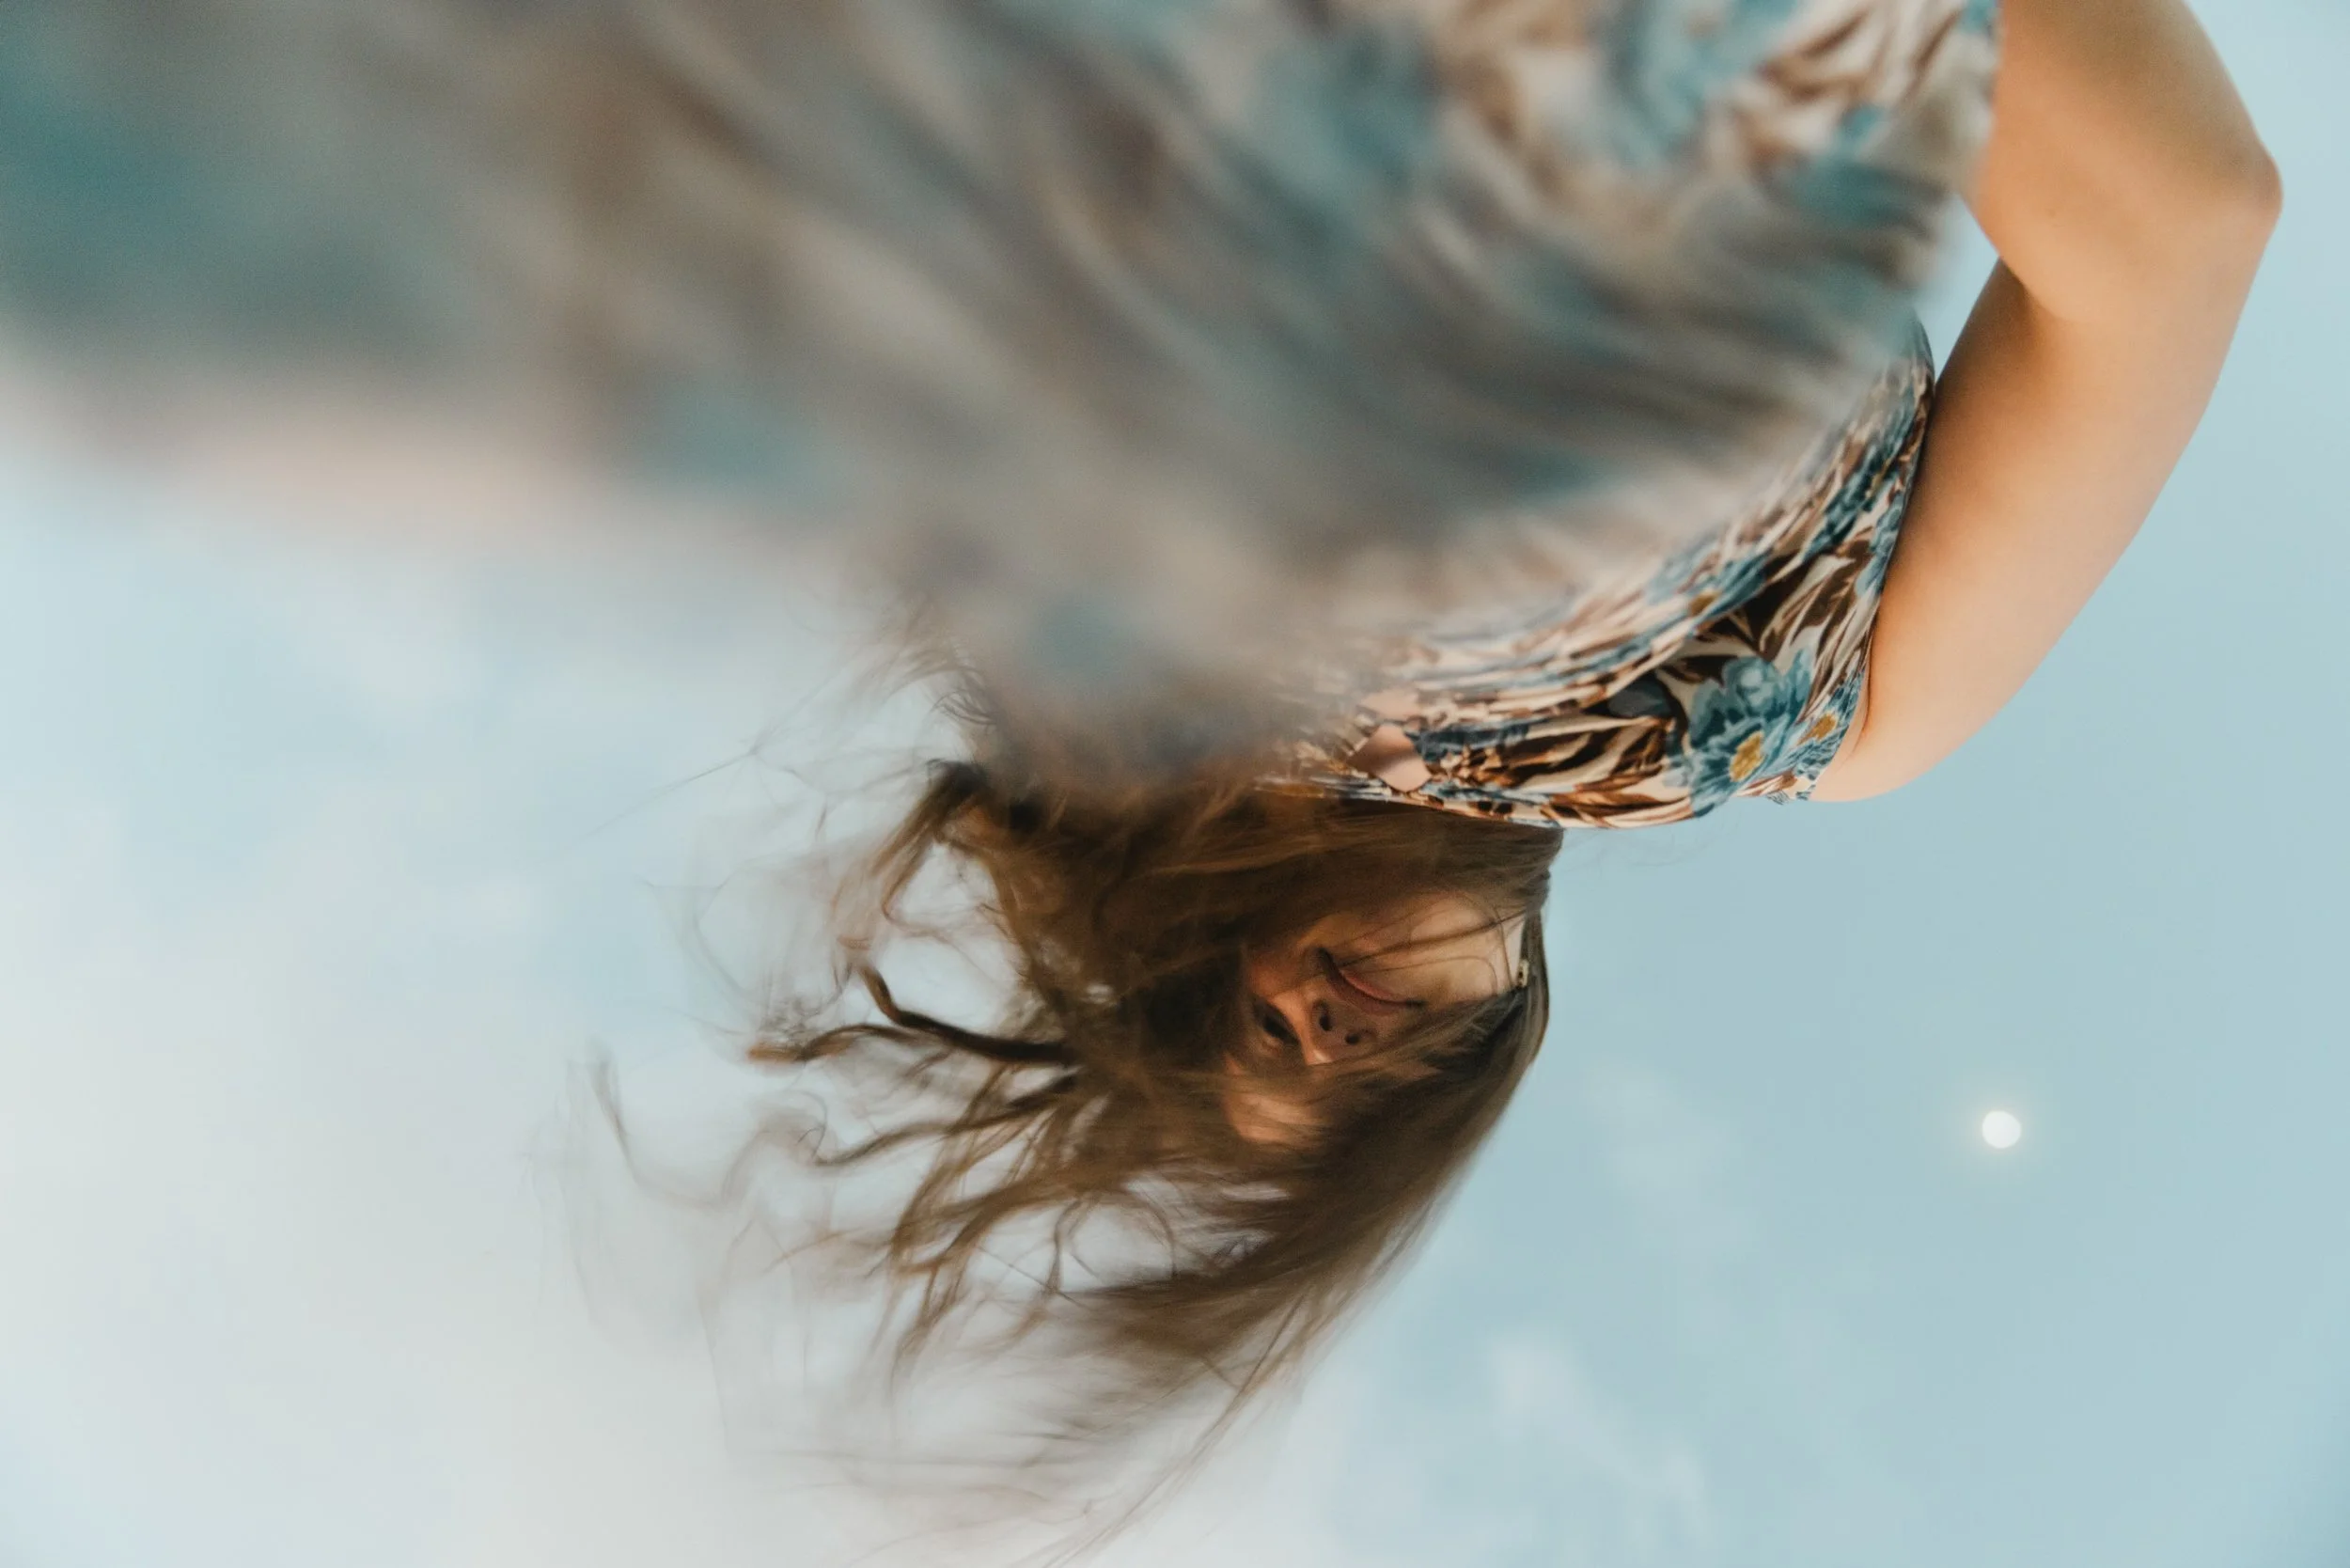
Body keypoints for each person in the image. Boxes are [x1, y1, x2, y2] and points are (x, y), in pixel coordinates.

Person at [738, 0, 2280, 1513]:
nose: (1319, 1023)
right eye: (1369, 1082)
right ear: (1506, 1008)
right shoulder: (1842, 714)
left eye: (1245, 1022)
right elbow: (2180, 229)